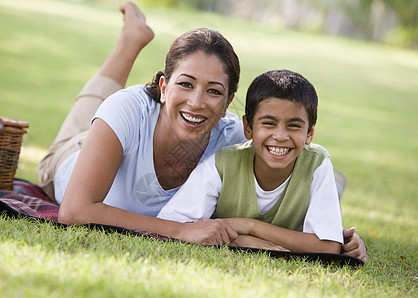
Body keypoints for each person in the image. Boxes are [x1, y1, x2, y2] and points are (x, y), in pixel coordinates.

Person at [38, 2, 366, 261]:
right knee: (93, 106)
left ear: (229, 103)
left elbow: (297, 172)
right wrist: (179, 231)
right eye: (186, 84)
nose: (197, 102)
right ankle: (130, 40)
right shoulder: (128, 109)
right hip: (68, 161)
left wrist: (341, 238)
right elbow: (75, 211)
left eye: (213, 91)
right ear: (163, 86)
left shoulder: (235, 141)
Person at [158, 70, 342, 254]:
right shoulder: (222, 164)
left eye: (294, 126)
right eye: (269, 123)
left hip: (317, 185)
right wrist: (241, 239)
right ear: (248, 127)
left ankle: (338, 184)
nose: (280, 136)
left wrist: (250, 226)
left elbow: (328, 247)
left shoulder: (317, 163)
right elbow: (174, 225)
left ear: (309, 133)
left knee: (332, 193)